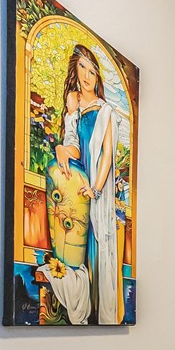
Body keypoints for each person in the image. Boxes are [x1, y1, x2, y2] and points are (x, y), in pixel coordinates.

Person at [40, 43, 123, 324]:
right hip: (78, 188)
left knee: (97, 244)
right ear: (75, 74)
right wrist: (63, 149)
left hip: (94, 190)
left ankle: (102, 312)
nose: (88, 76)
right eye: (82, 69)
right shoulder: (74, 109)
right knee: (75, 244)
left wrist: (97, 189)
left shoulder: (106, 111)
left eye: (92, 70)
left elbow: (108, 155)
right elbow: (74, 145)